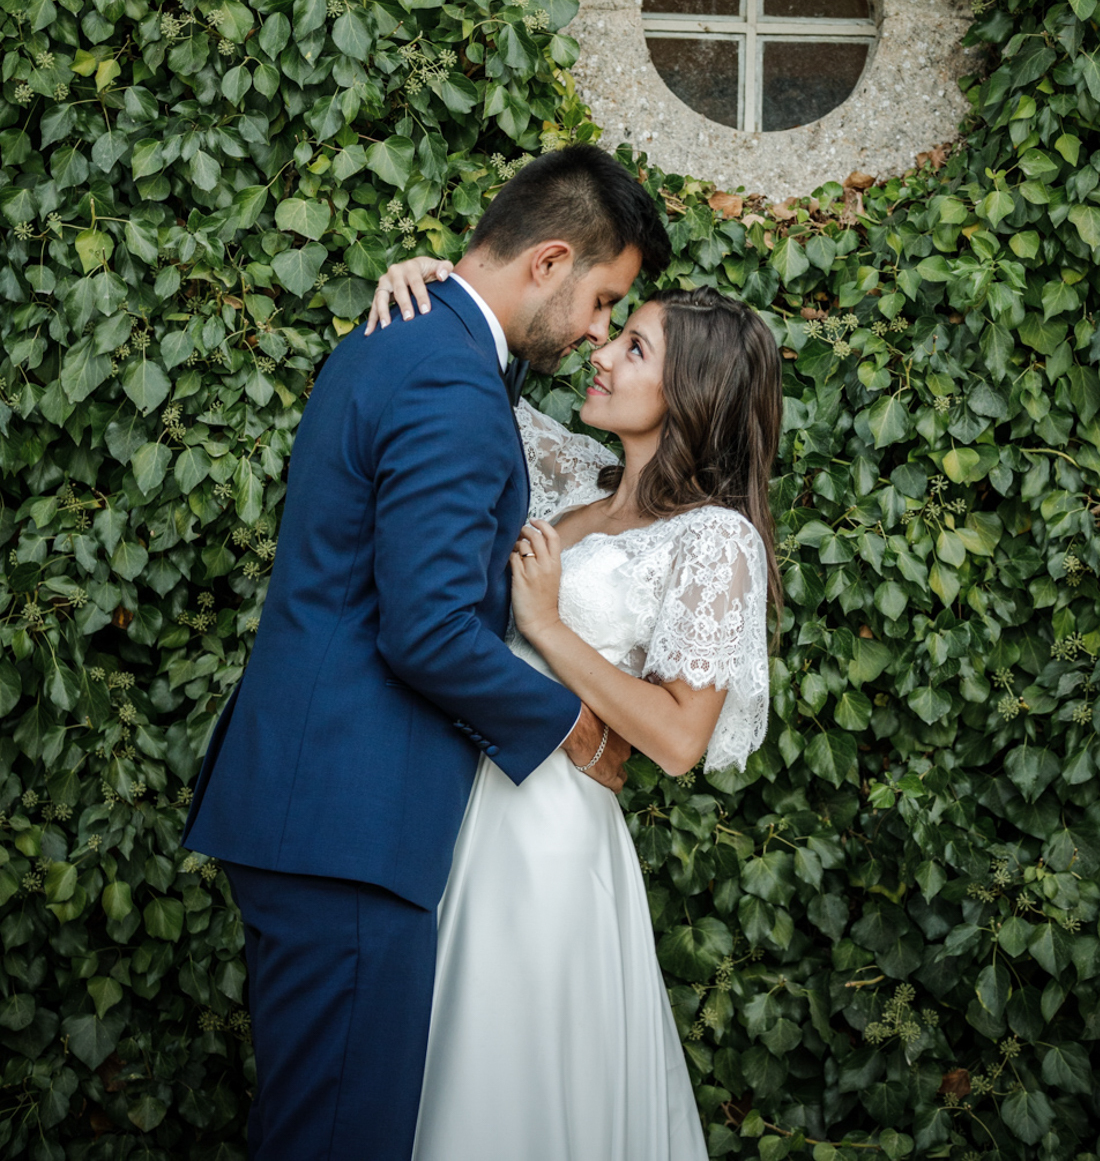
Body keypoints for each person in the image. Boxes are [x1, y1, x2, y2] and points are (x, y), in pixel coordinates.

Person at [181, 145, 671, 1161]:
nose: (594, 332)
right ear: (547, 260)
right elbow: (430, 628)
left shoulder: (395, 339)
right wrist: (574, 727)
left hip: (310, 809)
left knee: (311, 1122)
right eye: (602, 298)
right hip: (350, 823)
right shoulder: (450, 380)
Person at [369, 256, 782, 1161]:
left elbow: (678, 738)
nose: (601, 353)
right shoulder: (571, 475)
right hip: (451, 797)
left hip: (546, 831)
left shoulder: (714, 539)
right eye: (616, 330)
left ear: (692, 394)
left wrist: (548, 628)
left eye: (633, 347)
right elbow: (466, 359)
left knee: (508, 1080)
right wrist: (426, 279)